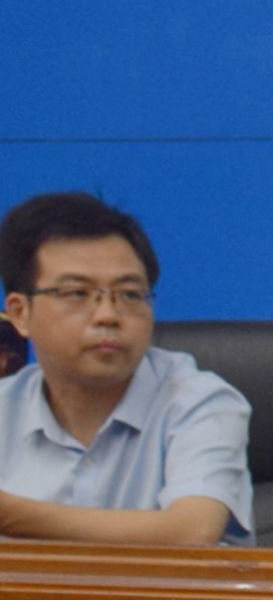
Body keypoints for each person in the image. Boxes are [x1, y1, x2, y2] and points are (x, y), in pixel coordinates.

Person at [0, 192, 252, 545]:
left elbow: (192, 532)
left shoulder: (198, 403)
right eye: (77, 293)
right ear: (20, 313)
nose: (108, 315)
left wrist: (11, 516)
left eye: (130, 294)